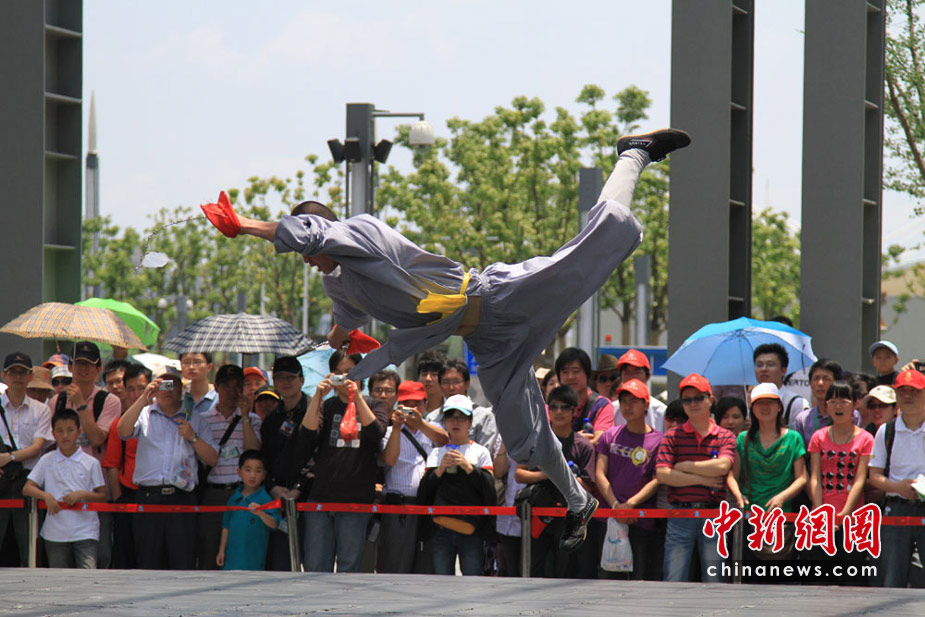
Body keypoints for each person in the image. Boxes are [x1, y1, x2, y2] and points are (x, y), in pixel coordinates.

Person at [203, 127, 692, 551]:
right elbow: (343, 322)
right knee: (524, 442)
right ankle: (578, 500)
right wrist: (336, 345)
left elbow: (309, 234)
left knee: (597, 245)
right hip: (489, 342)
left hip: (498, 298)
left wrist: (244, 225)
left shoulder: (358, 232)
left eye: (308, 250)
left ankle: (634, 153)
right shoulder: (338, 282)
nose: (308, 260)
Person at [296, 350, 389, 573]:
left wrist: (357, 397)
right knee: (315, 565)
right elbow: (306, 435)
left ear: (362, 373)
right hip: (321, 497)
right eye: (338, 373)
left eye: (350, 372)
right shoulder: (327, 406)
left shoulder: (375, 405)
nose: (345, 378)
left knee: (350, 566)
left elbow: (376, 433)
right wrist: (318, 397)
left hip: (355, 499)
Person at [116, 369, 218, 570]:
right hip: (149, 496)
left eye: (173, 386)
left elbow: (212, 459)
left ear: (181, 390)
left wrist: (193, 437)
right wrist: (143, 399)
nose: (167, 390)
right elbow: (123, 431)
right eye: (163, 385)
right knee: (148, 561)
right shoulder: (145, 413)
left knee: (183, 561)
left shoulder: (195, 418)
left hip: (182, 497)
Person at [655, 373, 736, 583]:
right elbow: (663, 474)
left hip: (714, 514)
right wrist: (704, 480)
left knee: (714, 580)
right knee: (674, 577)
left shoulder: (725, 435)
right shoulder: (671, 436)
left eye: (698, 398)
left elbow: (723, 466)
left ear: (711, 400)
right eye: (687, 400)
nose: (693, 404)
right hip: (680, 512)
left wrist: (686, 467)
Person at [516, 385, 597, 578]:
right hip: (539, 516)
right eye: (554, 406)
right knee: (534, 570)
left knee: (564, 572)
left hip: (570, 519)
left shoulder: (583, 446)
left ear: (575, 411)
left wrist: (570, 479)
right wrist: (550, 474)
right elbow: (519, 474)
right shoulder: (537, 441)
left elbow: (588, 485)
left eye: (565, 407)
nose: (559, 412)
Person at [727, 383, 806, 579]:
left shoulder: (793, 438)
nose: (765, 407)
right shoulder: (743, 439)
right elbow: (732, 476)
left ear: (779, 406)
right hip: (750, 518)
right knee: (749, 583)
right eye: (759, 403)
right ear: (752, 409)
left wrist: (782, 497)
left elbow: (802, 478)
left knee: (781, 584)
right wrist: (738, 495)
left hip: (783, 519)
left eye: (770, 402)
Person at [417, 395, 496, 575]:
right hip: (441, 529)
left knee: (472, 580)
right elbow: (424, 493)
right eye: (450, 417)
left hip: (472, 529)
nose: (455, 422)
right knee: (442, 580)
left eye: (461, 417)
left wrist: (469, 468)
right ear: (444, 422)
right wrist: (440, 470)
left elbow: (490, 491)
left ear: (470, 422)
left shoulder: (480, 452)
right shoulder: (436, 453)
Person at [807, 380, 874, 585]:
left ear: (855, 404)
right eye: (833, 401)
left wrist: (844, 514)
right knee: (818, 581)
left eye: (844, 401)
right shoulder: (818, 437)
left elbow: (860, 479)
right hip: (821, 519)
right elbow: (815, 477)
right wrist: (820, 513)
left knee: (851, 581)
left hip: (853, 519)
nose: (838, 406)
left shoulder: (866, 438)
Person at [596, 379, 663, 581]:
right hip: (609, 519)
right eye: (624, 401)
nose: (627, 406)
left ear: (646, 404)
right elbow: (599, 474)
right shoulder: (609, 436)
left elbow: (657, 479)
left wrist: (630, 505)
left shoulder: (659, 441)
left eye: (633, 401)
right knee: (606, 580)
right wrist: (616, 506)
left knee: (639, 580)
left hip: (640, 521)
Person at [379, 380, 448, 573]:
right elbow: (389, 459)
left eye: (417, 404)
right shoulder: (390, 430)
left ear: (426, 404)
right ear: (398, 406)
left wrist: (421, 423)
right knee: (396, 566)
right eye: (406, 404)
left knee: (426, 567)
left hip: (427, 506)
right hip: (398, 507)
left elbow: (444, 440)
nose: (412, 409)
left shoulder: (432, 427)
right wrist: (397, 427)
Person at [197, 364, 262, 570]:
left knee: (241, 549)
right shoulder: (202, 420)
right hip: (213, 492)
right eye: (226, 386)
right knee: (210, 549)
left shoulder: (252, 419)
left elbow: (253, 452)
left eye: (237, 386)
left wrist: (245, 417)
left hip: (241, 492)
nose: (232, 391)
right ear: (216, 387)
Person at [22, 409, 106, 568]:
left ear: (79, 432)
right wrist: (46, 496)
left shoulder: (91, 462)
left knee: (88, 576)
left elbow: (102, 496)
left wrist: (83, 494)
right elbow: (28, 488)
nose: (65, 435)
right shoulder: (47, 460)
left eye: (70, 430)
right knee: (58, 578)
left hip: (85, 531)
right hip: (55, 532)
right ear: (53, 434)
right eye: (60, 431)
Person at [868, 369, 925, 588]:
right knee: (892, 577)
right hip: (896, 510)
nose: (908, 396)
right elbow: (874, 475)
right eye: (902, 391)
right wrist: (897, 487)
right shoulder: (886, 431)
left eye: (914, 391)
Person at [0, 352, 53, 566]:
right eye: (13, 372)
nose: (18, 377)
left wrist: (8, 457)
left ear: (31, 376)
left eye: (22, 372)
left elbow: (37, 447)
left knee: (29, 546)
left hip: (27, 480)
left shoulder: (41, 410)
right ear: (4, 375)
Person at [101, 363, 151, 569]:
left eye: (142, 388)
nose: (137, 394)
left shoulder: (166, 419)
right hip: (129, 495)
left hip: (156, 496)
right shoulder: (119, 424)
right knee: (126, 557)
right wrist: (119, 499)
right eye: (131, 389)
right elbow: (112, 465)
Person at [259, 355, 307, 571]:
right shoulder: (271, 419)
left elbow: (318, 456)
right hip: (278, 499)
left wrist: (299, 488)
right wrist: (272, 487)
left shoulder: (316, 411)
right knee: (280, 565)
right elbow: (265, 458)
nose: (286, 382)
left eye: (291, 377)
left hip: (308, 498)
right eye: (280, 378)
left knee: (314, 566)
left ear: (302, 380)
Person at [48, 342, 121, 465]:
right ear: (70, 367)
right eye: (79, 363)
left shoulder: (110, 401)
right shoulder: (56, 401)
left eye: (89, 364)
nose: (83, 368)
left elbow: (97, 439)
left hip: (94, 472)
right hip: (61, 471)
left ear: (98, 369)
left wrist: (80, 404)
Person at [216, 450, 280, 570]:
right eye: (248, 470)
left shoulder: (266, 499)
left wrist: (260, 513)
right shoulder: (233, 498)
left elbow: (274, 524)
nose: (252, 475)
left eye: (258, 471)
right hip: (231, 558)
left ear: (264, 475)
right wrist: (221, 550)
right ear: (239, 472)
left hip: (254, 559)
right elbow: (226, 527)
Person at [424, 359, 499, 454]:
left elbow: (486, 453)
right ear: (440, 385)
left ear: (467, 383)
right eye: (446, 382)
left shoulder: (484, 417)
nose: (451, 387)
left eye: (457, 382)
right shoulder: (432, 418)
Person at [790, 358, 861, 448]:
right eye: (816, 378)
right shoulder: (803, 419)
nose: (820, 383)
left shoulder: (852, 416)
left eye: (826, 379)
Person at [555, 347, 614, 447]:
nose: (570, 377)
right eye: (565, 372)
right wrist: (576, 439)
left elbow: (600, 440)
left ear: (587, 374)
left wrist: (569, 440)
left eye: (576, 371)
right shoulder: (552, 405)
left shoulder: (601, 405)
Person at [753, 343, 809, 425]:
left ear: (784, 370)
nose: (763, 369)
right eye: (759, 365)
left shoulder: (797, 403)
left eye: (770, 365)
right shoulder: (751, 400)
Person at [613, 349, 666, 432]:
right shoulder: (612, 409)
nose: (631, 377)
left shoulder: (661, 411)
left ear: (647, 376)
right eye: (626, 373)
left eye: (636, 373)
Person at [179, 352, 217, 416]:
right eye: (186, 362)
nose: (191, 367)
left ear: (209, 367)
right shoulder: (176, 393)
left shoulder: (218, 395)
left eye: (197, 362)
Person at [415, 350, 447, 414]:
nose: (428, 379)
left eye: (434, 374)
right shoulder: (412, 406)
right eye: (424, 374)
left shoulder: (451, 408)